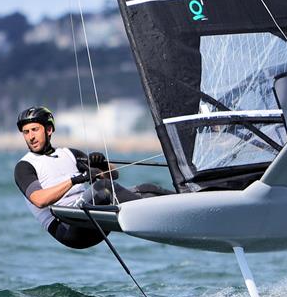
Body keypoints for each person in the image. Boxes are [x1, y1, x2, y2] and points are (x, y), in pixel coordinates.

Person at [13, 106, 172, 249]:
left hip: (93, 217)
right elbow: (39, 200)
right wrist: (75, 180)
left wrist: (102, 164)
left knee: (147, 189)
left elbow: (112, 176)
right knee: (102, 187)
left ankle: (181, 203)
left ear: (48, 130)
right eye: (26, 132)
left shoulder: (69, 154)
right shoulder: (25, 166)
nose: (30, 137)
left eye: (34, 130)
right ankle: (155, 219)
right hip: (70, 229)